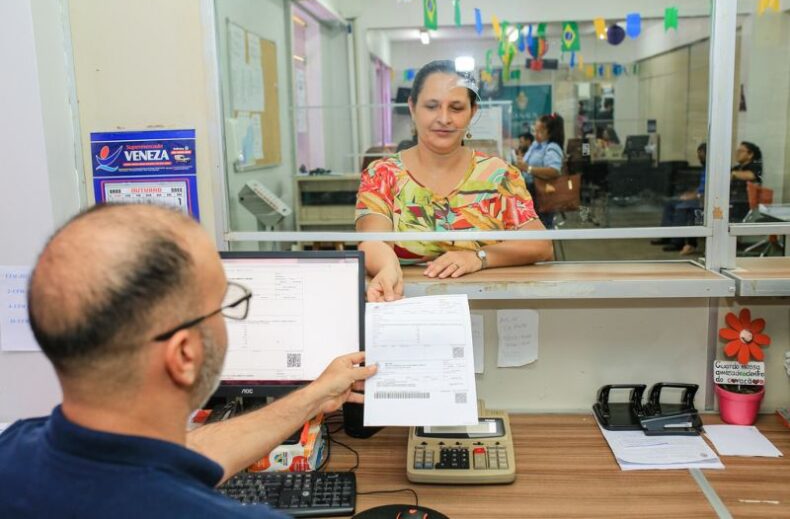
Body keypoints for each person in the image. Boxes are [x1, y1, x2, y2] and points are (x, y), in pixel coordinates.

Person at [0, 203, 377, 519]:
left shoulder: (14, 449)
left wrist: (314, 396)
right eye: (224, 304)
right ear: (184, 354)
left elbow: (183, 456)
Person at [356, 60, 553, 303]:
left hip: (494, 308)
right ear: (412, 107)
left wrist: (478, 257)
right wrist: (387, 268)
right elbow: (372, 241)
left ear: (472, 112)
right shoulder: (383, 174)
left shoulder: (499, 175)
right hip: (402, 303)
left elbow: (540, 245)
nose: (444, 118)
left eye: (457, 108)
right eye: (431, 106)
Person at [652, 143, 707, 255]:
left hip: (704, 201)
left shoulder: (714, 169)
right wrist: (691, 194)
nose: (699, 157)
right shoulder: (705, 168)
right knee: (670, 203)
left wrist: (694, 196)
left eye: (701, 154)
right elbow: (701, 188)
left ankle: (677, 242)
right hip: (699, 197)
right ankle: (667, 236)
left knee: (681, 207)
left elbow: (708, 191)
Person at [515, 113, 565, 228]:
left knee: (543, 227)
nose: (535, 134)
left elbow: (554, 171)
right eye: (535, 130)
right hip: (529, 192)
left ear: (550, 132)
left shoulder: (552, 147)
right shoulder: (536, 145)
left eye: (540, 131)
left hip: (541, 194)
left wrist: (528, 168)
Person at [730, 141, 763, 222]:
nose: (737, 154)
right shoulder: (735, 168)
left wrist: (733, 174)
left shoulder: (756, 166)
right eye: (737, 151)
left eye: (740, 151)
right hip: (734, 204)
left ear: (750, 154)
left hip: (748, 205)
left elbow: (751, 175)